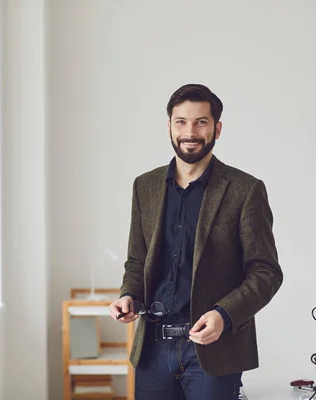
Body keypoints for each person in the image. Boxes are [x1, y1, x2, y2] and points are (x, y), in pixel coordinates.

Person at [108, 83, 283, 400]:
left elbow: (266, 272)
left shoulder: (245, 190)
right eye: (181, 122)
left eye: (201, 122)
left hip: (212, 351)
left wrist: (223, 315)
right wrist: (128, 295)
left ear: (217, 128)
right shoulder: (144, 187)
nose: (190, 131)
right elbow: (137, 260)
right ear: (169, 126)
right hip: (151, 351)